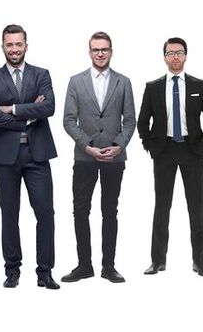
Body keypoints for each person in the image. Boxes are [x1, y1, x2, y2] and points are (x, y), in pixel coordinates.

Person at [0, 24, 59, 289]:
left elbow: (49, 107)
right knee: (9, 214)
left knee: (45, 213)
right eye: (10, 44)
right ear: (3, 46)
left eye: (19, 44)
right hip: (5, 157)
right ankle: (12, 270)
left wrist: (13, 108)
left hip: (37, 154)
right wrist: (30, 113)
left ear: (26, 46)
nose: (14, 49)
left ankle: (45, 272)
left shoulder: (42, 74)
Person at [138, 37, 203, 277]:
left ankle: (199, 261)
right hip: (164, 152)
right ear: (164, 57)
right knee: (162, 207)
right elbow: (143, 121)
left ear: (185, 56)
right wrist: (150, 146)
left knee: (197, 207)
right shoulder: (153, 87)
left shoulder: (198, 85)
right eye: (170, 53)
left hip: (192, 152)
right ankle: (157, 261)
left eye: (179, 52)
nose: (175, 57)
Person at [59, 31, 133, 284]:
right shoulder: (76, 81)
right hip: (84, 157)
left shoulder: (123, 82)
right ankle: (84, 265)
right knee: (80, 211)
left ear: (111, 51)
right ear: (89, 52)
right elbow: (68, 120)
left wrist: (118, 146)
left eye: (105, 49)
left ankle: (108, 267)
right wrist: (87, 145)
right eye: (95, 49)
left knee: (109, 211)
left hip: (114, 157)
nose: (100, 53)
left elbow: (130, 120)